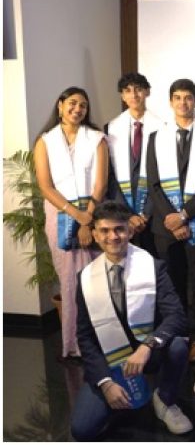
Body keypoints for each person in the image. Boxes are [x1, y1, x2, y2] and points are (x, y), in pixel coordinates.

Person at [70, 201, 191, 440]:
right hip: (111, 359)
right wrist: (105, 383)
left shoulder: (152, 267)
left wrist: (148, 345)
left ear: (130, 231)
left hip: (148, 353)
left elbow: (176, 315)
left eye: (119, 229)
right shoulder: (85, 277)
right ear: (95, 234)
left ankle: (164, 400)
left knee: (178, 345)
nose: (113, 236)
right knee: (82, 430)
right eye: (105, 230)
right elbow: (85, 336)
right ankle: (117, 394)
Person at [146, 78, 195, 362]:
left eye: (188, 97)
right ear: (170, 102)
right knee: (171, 283)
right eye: (178, 97)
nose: (183, 102)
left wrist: (184, 216)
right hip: (165, 227)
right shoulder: (156, 138)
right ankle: (175, 334)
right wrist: (172, 220)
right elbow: (153, 184)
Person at [34, 86, 108, 358]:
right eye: (73, 103)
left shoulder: (97, 139)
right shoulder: (45, 141)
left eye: (83, 105)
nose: (78, 109)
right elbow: (45, 186)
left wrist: (87, 221)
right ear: (60, 105)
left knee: (95, 281)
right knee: (68, 281)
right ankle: (75, 345)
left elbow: (100, 184)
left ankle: (101, 343)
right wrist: (76, 215)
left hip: (94, 214)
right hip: (60, 215)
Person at [105, 72, 164, 254]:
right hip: (122, 213)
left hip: (153, 214)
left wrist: (146, 213)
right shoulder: (110, 128)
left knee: (154, 261)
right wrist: (128, 214)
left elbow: (165, 175)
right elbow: (109, 176)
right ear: (122, 96)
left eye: (138, 89)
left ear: (147, 92)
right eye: (127, 91)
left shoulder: (163, 127)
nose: (133, 95)